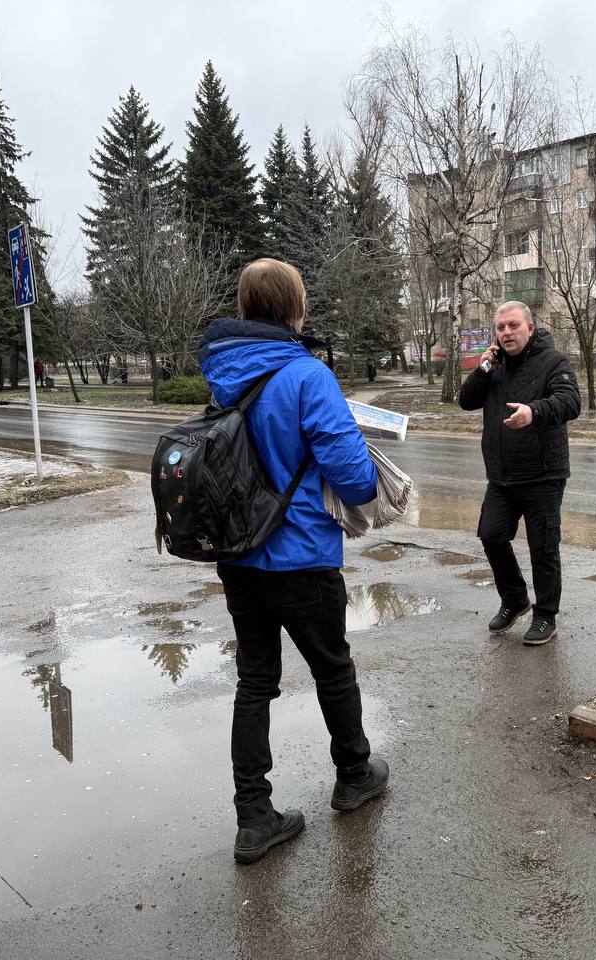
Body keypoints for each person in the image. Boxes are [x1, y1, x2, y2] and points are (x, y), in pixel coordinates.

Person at [198, 258, 390, 864]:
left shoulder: (221, 375)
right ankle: (354, 775)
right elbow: (357, 482)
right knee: (333, 668)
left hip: (239, 557)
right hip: (302, 555)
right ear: (294, 310)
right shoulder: (308, 376)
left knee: (254, 681)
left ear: (247, 308)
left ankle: (253, 817)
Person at [459, 301, 581, 646]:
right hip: (502, 476)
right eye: (500, 327)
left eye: (513, 325)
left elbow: (571, 401)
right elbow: (466, 401)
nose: (506, 332)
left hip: (543, 473)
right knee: (491, 535)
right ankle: (514, 599)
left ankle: (546, 615)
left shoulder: (553, 361)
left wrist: (534, 411)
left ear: (530, 328)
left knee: (543, 547)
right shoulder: (493, 365)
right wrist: (483, 369)